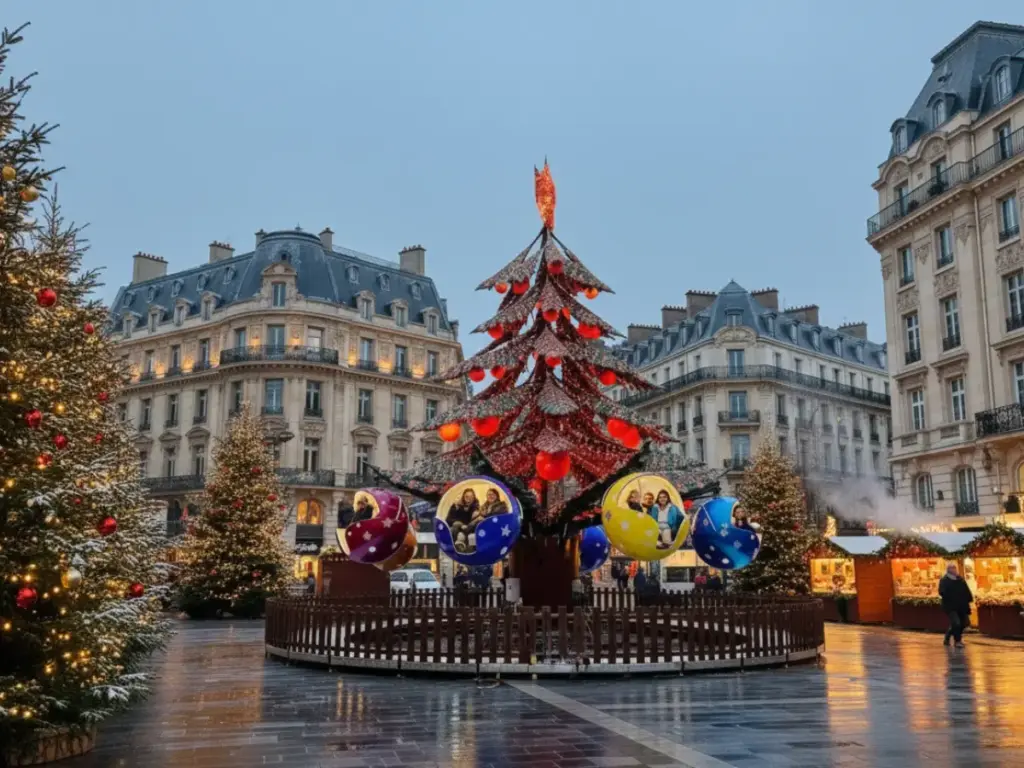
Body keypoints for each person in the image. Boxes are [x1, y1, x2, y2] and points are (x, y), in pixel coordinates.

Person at [939, 563, 973, 648]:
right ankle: (957, 641)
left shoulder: (960, 579)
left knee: (965, 623)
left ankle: (948, 635)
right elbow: (941, 591)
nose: (954, 569)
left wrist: (969, 599)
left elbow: (966, 590)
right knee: (956, 623)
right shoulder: (944, 580)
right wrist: (946, 594)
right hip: (950, 606)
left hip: (961, 605)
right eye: (952, 568)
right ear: (948, 570)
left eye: (954, 568)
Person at [447, 488, 480, 552]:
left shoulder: (476, 507)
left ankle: (463, 546)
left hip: (469, 529)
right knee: (455, 525)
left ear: (474, 497)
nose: (469, 498)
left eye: (471, 497)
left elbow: (473, 522)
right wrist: (460, 524)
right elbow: (448, 520)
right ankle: (455, 547)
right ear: (463, 497)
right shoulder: (456, 506)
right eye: (467, 496)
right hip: (457, 529)